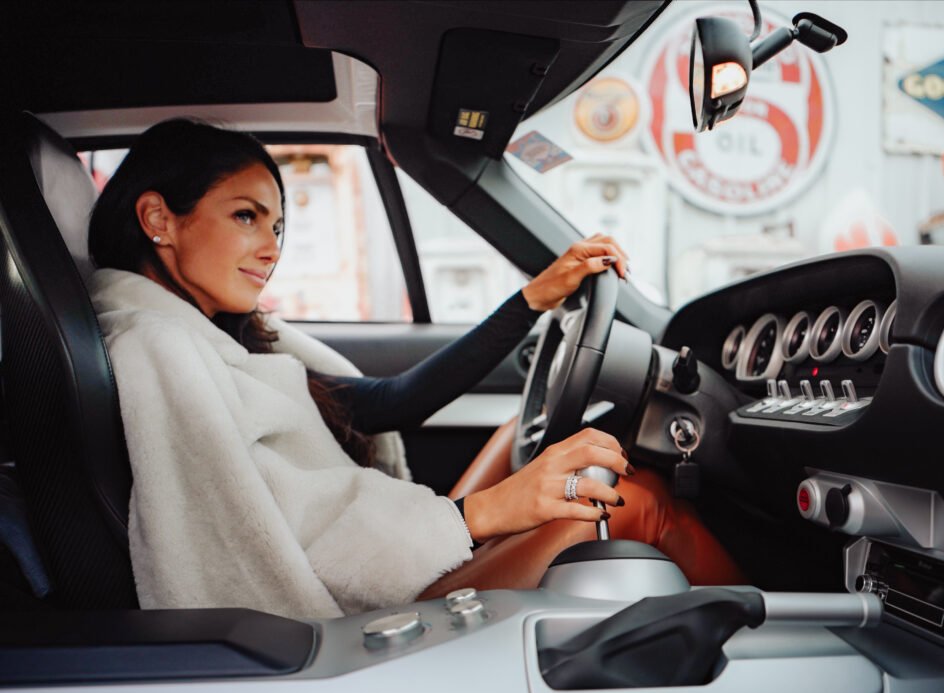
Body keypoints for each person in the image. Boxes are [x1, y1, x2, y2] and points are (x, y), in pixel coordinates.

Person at [87, 118, 742, 619]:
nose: (271, 249)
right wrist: (480, 515)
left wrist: (532, 300)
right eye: (245, 217)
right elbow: (251, 541)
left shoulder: (220, 339)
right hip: (344, 617)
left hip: (376, 554)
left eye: (278, 227)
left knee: (524, 435)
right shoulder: (160, 350)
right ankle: (770, 640)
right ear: (158, 219)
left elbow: (387, 403)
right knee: (641, 506)